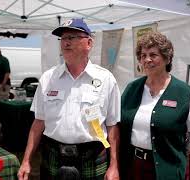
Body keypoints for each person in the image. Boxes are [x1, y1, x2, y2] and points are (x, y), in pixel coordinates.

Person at [18, 18, 120, 180]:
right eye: (63, 38)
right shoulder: (48, 78)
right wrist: (26, 161)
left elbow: (112, 125)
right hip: (53, 155)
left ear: (89, 43)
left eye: (72, 37)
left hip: (92, 157)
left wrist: (114, 165)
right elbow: (38, 123)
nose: (66, 43)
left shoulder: (106, 79)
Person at [120, 32, 190, 180]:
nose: (147, 60)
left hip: (166, 170)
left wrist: (177, 151)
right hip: (133, 167)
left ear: (167, 58)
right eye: (143, 55)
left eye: (153, 55)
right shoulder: (131, 88)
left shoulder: (185, 94)